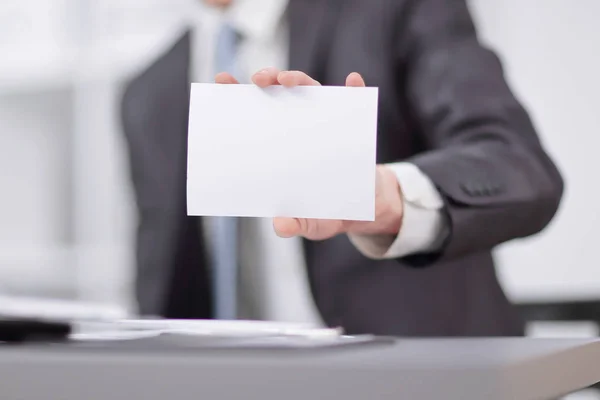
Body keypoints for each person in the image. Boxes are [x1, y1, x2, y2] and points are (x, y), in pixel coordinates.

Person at [120, 0, 563, 336]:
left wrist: (392, 198)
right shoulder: (147, 93)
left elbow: (519, 165)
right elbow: (161, 286)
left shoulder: (393, 9)